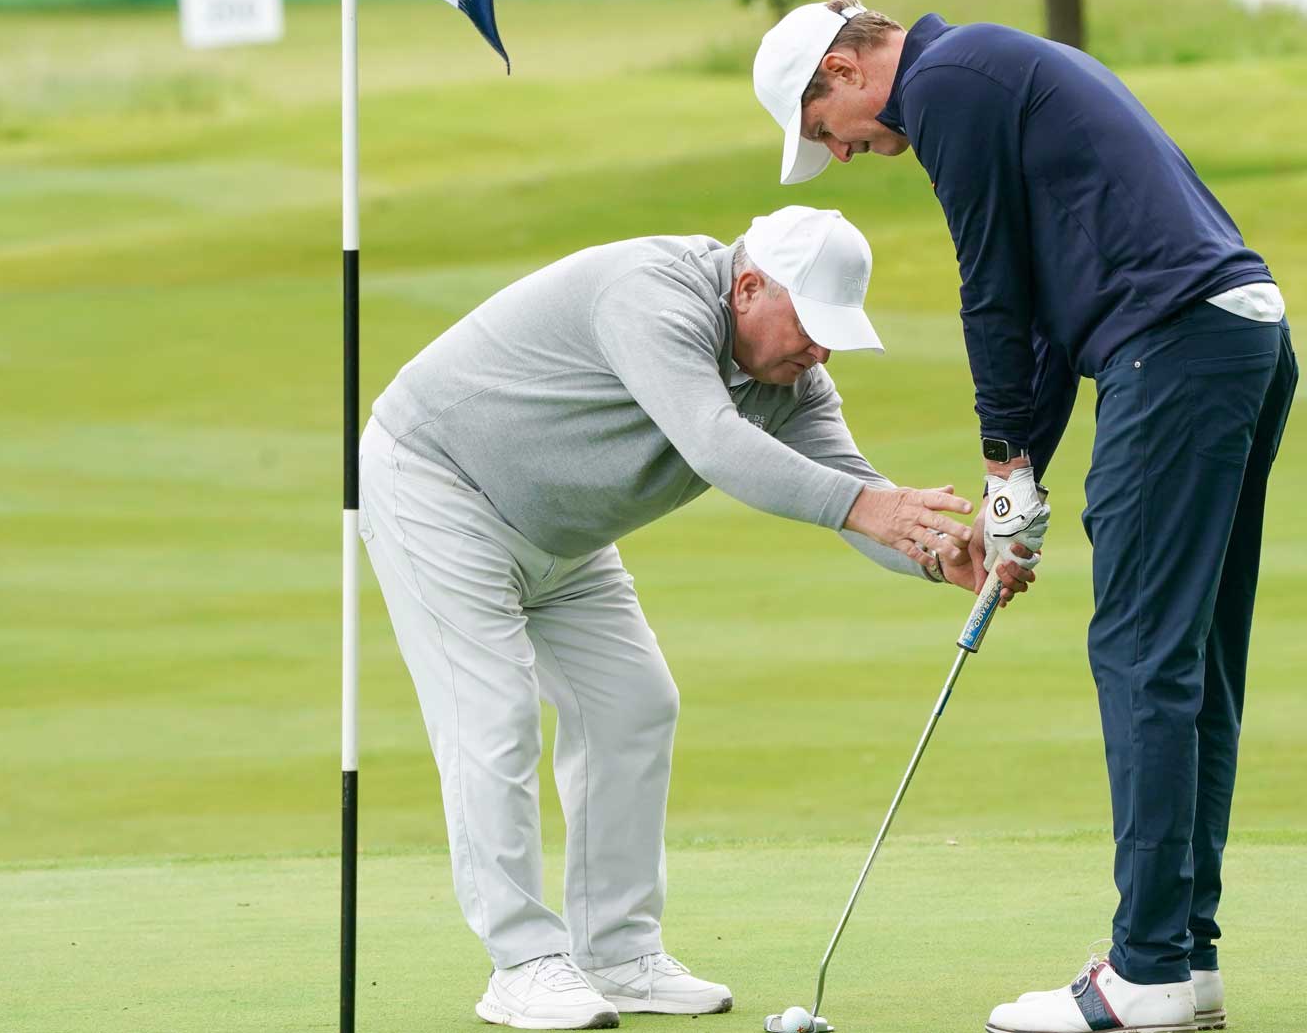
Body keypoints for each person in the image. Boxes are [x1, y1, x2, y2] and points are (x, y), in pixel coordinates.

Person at [753, 0, 1299, 1033]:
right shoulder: (992, 70)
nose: (854, 154)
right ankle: (1182, 958)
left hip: (1173, 351)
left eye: (831, 132)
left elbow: (991, 291)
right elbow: (1045, 314)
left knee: (1141, 656)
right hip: (1237, 342)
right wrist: (1021, 483)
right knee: (1190, 661)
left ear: (845, 70)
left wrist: (1003, 463)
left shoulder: (949, 87)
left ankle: (1144, 971)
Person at [360, 206, 1031, 1030]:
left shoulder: (792, 385)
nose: (819, 352)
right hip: (438, 485)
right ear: (748, 287)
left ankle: (618, 952)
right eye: (810, 328)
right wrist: (874, 510)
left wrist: (940, 554)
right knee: (492, 716)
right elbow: (718, 445)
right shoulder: (651, 293)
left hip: (565, 536)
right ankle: (524, 963)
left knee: (635, 703)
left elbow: (856, 489)